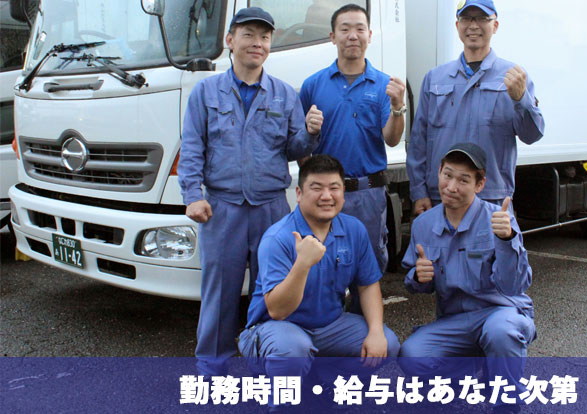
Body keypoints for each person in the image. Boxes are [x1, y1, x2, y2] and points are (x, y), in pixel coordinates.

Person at [177, 7, 323, 377]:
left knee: (271, 290)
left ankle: (267, 361)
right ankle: (212, 367)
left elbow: (294, 149)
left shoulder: (284, 94)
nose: (257, 43)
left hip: (271, 208)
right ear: (230, 40)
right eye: (248, 35)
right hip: (221, 207)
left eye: (264, 37)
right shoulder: (205, 92)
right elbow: (192, 147)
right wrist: (192, 195)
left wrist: (310, 132)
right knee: (219, 293)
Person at [398, 142, 536, 414]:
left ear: (479, 184)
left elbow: (515, 285)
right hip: (454, 321)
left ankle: (507, 403)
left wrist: (507, 239)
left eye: (463, 180)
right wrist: (418, 276)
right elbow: (417, 282)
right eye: (447, 175)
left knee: (500, 333)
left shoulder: (499, 219)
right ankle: (471, 374)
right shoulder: (423, 224)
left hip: (500, 312)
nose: (451, 187)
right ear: (439, 172)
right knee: (412, 355)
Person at [238, 154, 400, 381]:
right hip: (278, 328)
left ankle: (326, 383)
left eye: (334, 188)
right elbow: (278, 310)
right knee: (292, 350)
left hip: (330, 326)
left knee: (388, 343)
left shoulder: (354, 229)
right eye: (316, 188)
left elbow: (367, 286)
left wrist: (375, 332)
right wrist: (302, 264)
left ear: (343, 191)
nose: (326, 196)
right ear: (299, 193)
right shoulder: (278, 238)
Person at [407, 0, 545, 216]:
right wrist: (419, 192)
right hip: (442, 197)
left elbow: (532, 135)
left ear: (495, 25)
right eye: (466, 18)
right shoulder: (435, 79)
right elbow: (419, 141)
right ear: (457, 25)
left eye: (481, 18)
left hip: (491, 199)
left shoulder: (514, 77)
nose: (473, 25)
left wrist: (521, 100)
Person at [300, 3, 406, 283]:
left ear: (370, 35)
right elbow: (300, 145)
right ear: (332, 36)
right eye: (344, 29)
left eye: (360, 29)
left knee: (367, 267)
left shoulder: (383, 85)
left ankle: (365, 312)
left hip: (367, 194)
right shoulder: (312, 85)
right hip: (324, 194)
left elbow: (392, 139)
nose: (352, 36)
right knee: (322, 265)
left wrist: (397, 108)